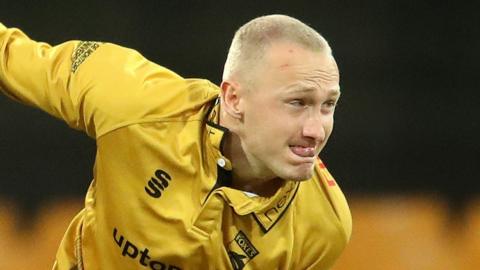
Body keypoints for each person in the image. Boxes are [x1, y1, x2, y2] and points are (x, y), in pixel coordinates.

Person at [0, 14, 351, 270]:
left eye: (328, 105)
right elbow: (10, 57)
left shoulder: (324, 226)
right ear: (233, 99)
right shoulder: (132, 100)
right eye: (298, 103)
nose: (316, 130)